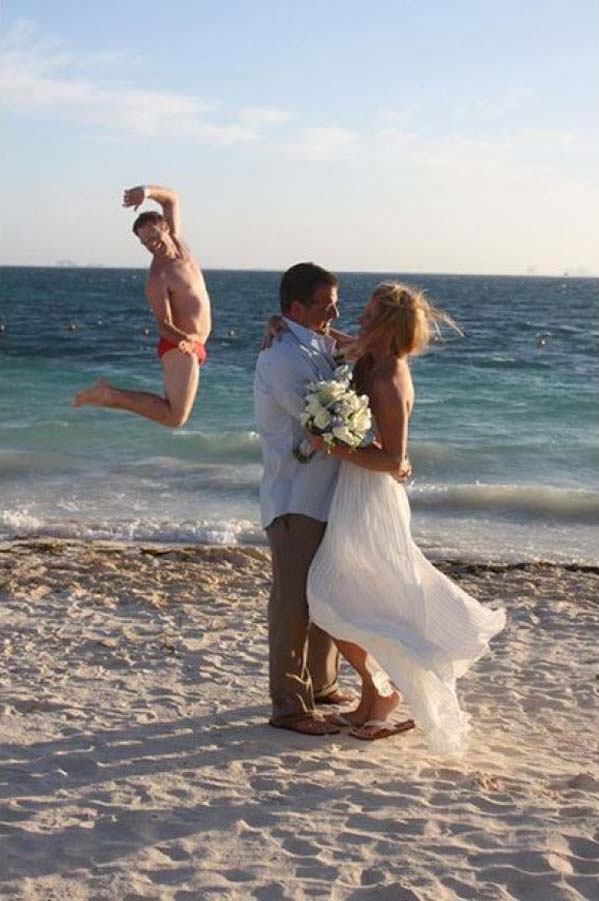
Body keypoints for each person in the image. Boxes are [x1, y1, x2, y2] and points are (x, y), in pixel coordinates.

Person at [306, 282, 506, 752]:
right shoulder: (367, 358)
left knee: (331, 596)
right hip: (351, 492)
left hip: (372, 498)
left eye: (368, 313)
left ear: (387, 324)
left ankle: (386, 690)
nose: (358, 319)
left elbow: (394, 460)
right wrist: (288, 325)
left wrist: (331, 444)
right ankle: (376, 694)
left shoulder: (391, 376)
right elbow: (338, 340)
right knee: (352, 597)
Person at [254, 263, 404, 736]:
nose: (336, 311)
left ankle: (321, 686)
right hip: (295, 496)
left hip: (331, 496)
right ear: (296, 306)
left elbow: (355, 349)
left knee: (327, 594)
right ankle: (289, 706)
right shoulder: (280, 358)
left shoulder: (317, 341)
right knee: (293, 603)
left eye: (337, 302)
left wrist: (389, 458)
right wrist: (386, 459)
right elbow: (322, 425)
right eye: (326, 304)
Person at [73, 185, 211, 427]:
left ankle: (109, 395)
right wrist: (185, 341)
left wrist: (146, 191)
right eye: (145, 242)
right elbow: (163, 325)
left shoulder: (181, 247)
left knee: (175, 415)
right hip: (179, 346)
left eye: (154, 237)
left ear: (165, 228)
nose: (152, 244)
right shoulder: (158, 277)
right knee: (175, 418)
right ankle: (108, 395)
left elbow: (171, 200)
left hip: (193, 344)